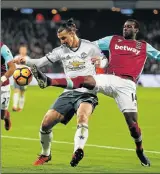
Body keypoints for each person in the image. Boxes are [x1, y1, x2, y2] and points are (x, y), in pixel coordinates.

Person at [28, 19, 160, 167]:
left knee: (133, 127)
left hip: (127, 86)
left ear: (136, 29)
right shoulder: (112, 40)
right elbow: (89, 46)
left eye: (129, 26)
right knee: (87, 79)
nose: (126, 28)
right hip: (110, 78)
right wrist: (96, 58)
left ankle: (140, 150)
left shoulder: (144, 46)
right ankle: (49, 81)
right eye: (124, 26)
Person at [14, 18, 106, 167]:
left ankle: (78, 150)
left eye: (64, 38)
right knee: (46, 124)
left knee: (82, 117)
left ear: (72, 33)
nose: (62, 41)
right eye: (60, 39)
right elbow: (41, 62)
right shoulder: (60, 51)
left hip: (87, 92)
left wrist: (101, 62)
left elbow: (105, 60)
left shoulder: (90, 46)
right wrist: (25, 62)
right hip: (68, 92)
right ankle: (45, 154)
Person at [1, 42, 16, 131]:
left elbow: (12, 67)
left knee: (1, 115)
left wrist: (2, 79)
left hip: (3, 86)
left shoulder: (3, 48)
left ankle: (6, 116)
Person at [12, 45, 31, 112]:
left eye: (24, 50)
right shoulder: (16, 57)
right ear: (19, 50)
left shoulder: (28, 58)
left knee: (22, 93)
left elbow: (30, 69)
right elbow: (13, 66)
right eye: (22, 50)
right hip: (17, 77)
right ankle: (14, 106)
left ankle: (20, 107)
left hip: (25, 79)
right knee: (16, 90)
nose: (23, 51)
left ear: (26, 51)